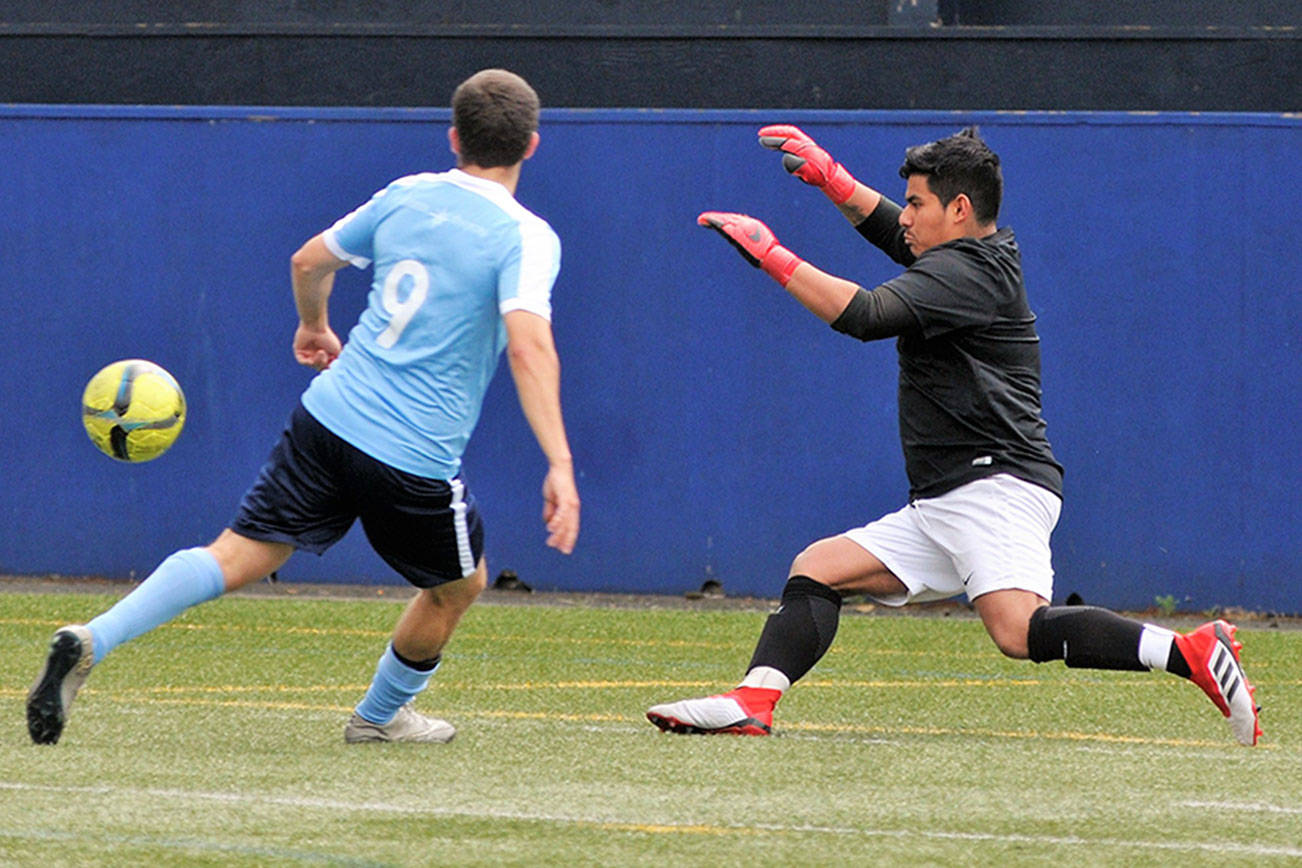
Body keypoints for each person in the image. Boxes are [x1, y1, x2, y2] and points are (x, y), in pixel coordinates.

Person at [647, 125, 1261, 746]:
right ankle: (754, 699)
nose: (906, 216)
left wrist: (771, 254)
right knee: (819, 569)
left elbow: (864, 316)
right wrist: (834, 180)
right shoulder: (967, 255)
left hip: (996, 483)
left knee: (1018, 631)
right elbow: (895, 232)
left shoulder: (970, 274)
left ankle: (1191, 650)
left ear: (959, 209)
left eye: (917, 203)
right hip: (951, 493)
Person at [27, 68, 580, 746]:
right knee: (457, 587)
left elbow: (307, 262)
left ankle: (92, 637)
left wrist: (313, 325)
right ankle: (378, 719)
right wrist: (558, 461)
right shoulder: (528, 236)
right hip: (413, 455)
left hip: (328, 417)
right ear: (531, 146)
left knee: (237, 553)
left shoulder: (407, 195)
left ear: (454, 136)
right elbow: (529, 348)